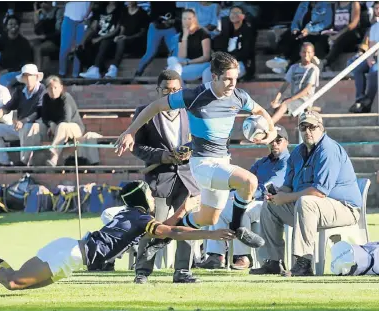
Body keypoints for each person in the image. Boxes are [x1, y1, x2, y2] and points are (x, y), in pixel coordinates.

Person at [0, 181, 235, 290]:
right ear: (143, 200)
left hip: (70, 249)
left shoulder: (132, 215)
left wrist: (183, 207)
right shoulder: (141, 218)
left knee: (13, 278)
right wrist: (210, 231)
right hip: (72, 255)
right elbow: (171, 231)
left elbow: (166, 226)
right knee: (12, 281)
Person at [116, 51, 278, 248]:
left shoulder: (239, 97)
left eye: (235, 79)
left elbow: (260, 111)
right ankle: (238, 228)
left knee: (207, 219)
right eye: (227, 79)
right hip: (203, 164)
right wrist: (130, 132)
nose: (232, 84)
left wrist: (270, 132)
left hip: (222, 163)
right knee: (249, 182)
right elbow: (155, 106)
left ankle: (164, 237)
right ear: (214, 77)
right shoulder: (194, 95)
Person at [250, 111, 362, 277]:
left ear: (321, 128)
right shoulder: (296, 153)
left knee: (306, 202)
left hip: (345, 208)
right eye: (303, 127)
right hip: (312, 208)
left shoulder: (328, 150)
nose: (308, 131)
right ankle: (274, 262)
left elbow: (319, 192)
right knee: (270, 205)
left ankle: (304, 263)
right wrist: (278, 194)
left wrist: (286, 198)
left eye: (312, 127)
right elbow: (288, 186)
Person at [131, 70, 201, 284]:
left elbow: (202, 140)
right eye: (167, 90)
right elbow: (136, 146)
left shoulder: (192, 112)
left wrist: (189, 151)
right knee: (154, 225)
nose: (171, 94)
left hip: (188, 178)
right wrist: (162, 156)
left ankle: (182, 271)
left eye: (176, 90)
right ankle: (142, 271)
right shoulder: (145, 112)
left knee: (187, 225)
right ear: (158, 91)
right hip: (159, 178)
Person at [199, 125, 290, 269]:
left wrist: (246, 194)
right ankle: (216, 255)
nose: (274, 144)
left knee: (240, 209)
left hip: (270, 204)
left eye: (279, 141)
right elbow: (245, 180)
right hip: (253, 201)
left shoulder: (287, 162)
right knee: (221, 207)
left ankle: (243, 257)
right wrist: (232, 194)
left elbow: (270, 186)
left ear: (287, 142)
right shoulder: (262, 162)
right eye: (272, 140)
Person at [0, 64, 47, 167]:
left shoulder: (43, 90)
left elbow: (39, 111)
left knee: (26, 126)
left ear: (36, 77)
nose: (28, 78)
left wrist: (23, 121)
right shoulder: (20, 91)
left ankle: (23, 163)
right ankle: (3, 162)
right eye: (25, 76)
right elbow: (6, 107)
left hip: (38, 126)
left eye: (31, 75)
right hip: (21, 127)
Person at [41, 75, 99, 166]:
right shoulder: (45, 98)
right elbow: (44, 117)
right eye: (50, 88)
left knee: (63, 125)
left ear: (61, 88)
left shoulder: (66, 97)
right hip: (58, 129)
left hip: (74, 128)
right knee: (38, 126)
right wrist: (50, 124)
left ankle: (54, 156)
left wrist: (55, 126)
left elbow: (66, 119)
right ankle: (29, 161)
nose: (53, 91)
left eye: (55, 88)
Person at [265, 2, 332, 74]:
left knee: (303, 41)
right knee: (289, 34)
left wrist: (310, 30)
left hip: (316, 32)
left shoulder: (326, 5)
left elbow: (326, 23)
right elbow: (296, 19)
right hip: (302, 30)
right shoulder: (303, 4)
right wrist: (295, 28)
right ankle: (281, 58)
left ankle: (286, 62)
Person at [270, 42, 320, 124]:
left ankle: (269, 126)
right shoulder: (294, 68)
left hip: (304, 100)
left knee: (284, 105)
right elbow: (285, 85)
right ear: (300, 53)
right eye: (304, 52)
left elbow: (306, 90)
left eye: (309, 52)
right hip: (293, 99)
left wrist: (289, 100)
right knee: (274, 107)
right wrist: (276, 99)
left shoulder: (313, 69)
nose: (306, 54)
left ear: (313, 54)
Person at [349, 1, 379, 113]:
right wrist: (369, 58)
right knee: (358, 68)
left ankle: (367, 102)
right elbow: (372, 46)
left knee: (374, 70)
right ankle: (360, 98)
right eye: (376, 8)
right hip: (377, 56)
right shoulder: (375, 27)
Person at [204, 5, 255, 82]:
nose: (234, 15)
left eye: (237, 13)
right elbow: (217, 48)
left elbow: (246, 52)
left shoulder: (247, 32)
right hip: (223, 63)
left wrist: (229, 60)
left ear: (243, 16)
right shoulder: (226, 30)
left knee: (224, 74)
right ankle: (208, 93)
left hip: (239, 64)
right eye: (232, 13)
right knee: (207, 73)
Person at [99, 2, 150, 78]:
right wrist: (120, 36)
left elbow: (142, 33)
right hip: (124, 40)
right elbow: (122, 28)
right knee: (110, 41)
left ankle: (114, 68)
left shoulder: (142, 13)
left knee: (121, 41)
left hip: (136, 42)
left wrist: (127, 37)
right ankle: (98, 68)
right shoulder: (124, 12)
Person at [78, 2, 124, 79]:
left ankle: (96, 69)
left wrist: (100, 38)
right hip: (98, 37)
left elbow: (116, 30)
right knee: (80, 49)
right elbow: (93, 28)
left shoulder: (120, 11)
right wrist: (83, 41)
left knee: (105, 41)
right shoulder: (101, 10)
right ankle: (93, 69)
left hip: (111, 39)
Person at [134, 1, 179, 77]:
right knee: (150, 53)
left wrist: (173, 21)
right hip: (155, 28)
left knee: (175, 51)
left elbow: (174, 13)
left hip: (169, 28)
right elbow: (152, 16)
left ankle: (172, 73)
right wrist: (161, 21)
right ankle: (137, 74)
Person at [0, 15, 33, 87]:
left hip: (18, 71)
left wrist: (9, 70)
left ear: (19, 26)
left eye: (15, 24)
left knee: (3, 80)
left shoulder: (24, 42)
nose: (13, 26)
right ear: (6, 26)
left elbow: (26, 63)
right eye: (10, 24)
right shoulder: (1, 40)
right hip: (2, 70)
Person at [166, 8, 211, 82]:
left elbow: (206, 57)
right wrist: (185, 37)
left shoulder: (203, 33)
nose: (186, 21)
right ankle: (179, 88)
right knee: (171, 60)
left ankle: (178, 89)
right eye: (184, 19)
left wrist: (187, 62)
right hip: (187, 64)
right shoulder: (182, 34)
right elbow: (182, 56)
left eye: (189, 19)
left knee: (171, 72)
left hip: (202, 65)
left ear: (195, 19)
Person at [320, 2, 362, 72]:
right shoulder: (336, 4)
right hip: (337, 33)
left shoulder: (354, 3)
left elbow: (354, 23)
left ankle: (326, 62)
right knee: (321, 38)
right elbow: (333, 22)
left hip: (351, 34)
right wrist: (330, 32)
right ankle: (320, 61)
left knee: (343, 38)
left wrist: (338, 35)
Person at [58, 1, 92, 78]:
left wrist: (87, 15)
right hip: (69, 17)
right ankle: (61, 73)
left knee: (79, 48)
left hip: (84, 19)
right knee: (65, 47)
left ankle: (75, 75)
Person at [32, 1, 63, 72]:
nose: (42, 4)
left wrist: (45, 36)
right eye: (41, 3)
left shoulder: (57, 11)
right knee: (32, 44)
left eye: (44, 2)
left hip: (55, 40)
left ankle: (38, 71)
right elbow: (37, 31)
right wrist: (36, 14)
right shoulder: (41, 13)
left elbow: (59, 31)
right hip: (44, 39)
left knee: (38, 48)